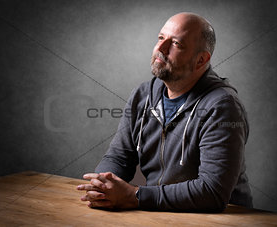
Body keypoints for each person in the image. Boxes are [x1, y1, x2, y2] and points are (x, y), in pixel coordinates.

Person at [77, 12, 253, 212]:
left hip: (224, 219)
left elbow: (212, 192)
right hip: (160, 212)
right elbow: (118, 157)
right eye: (161, 38)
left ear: (201, 60)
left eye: (176, 44)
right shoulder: (142, 95)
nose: (161, 49)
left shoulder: (222, 106)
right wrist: (102, 187)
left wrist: (134, 196)